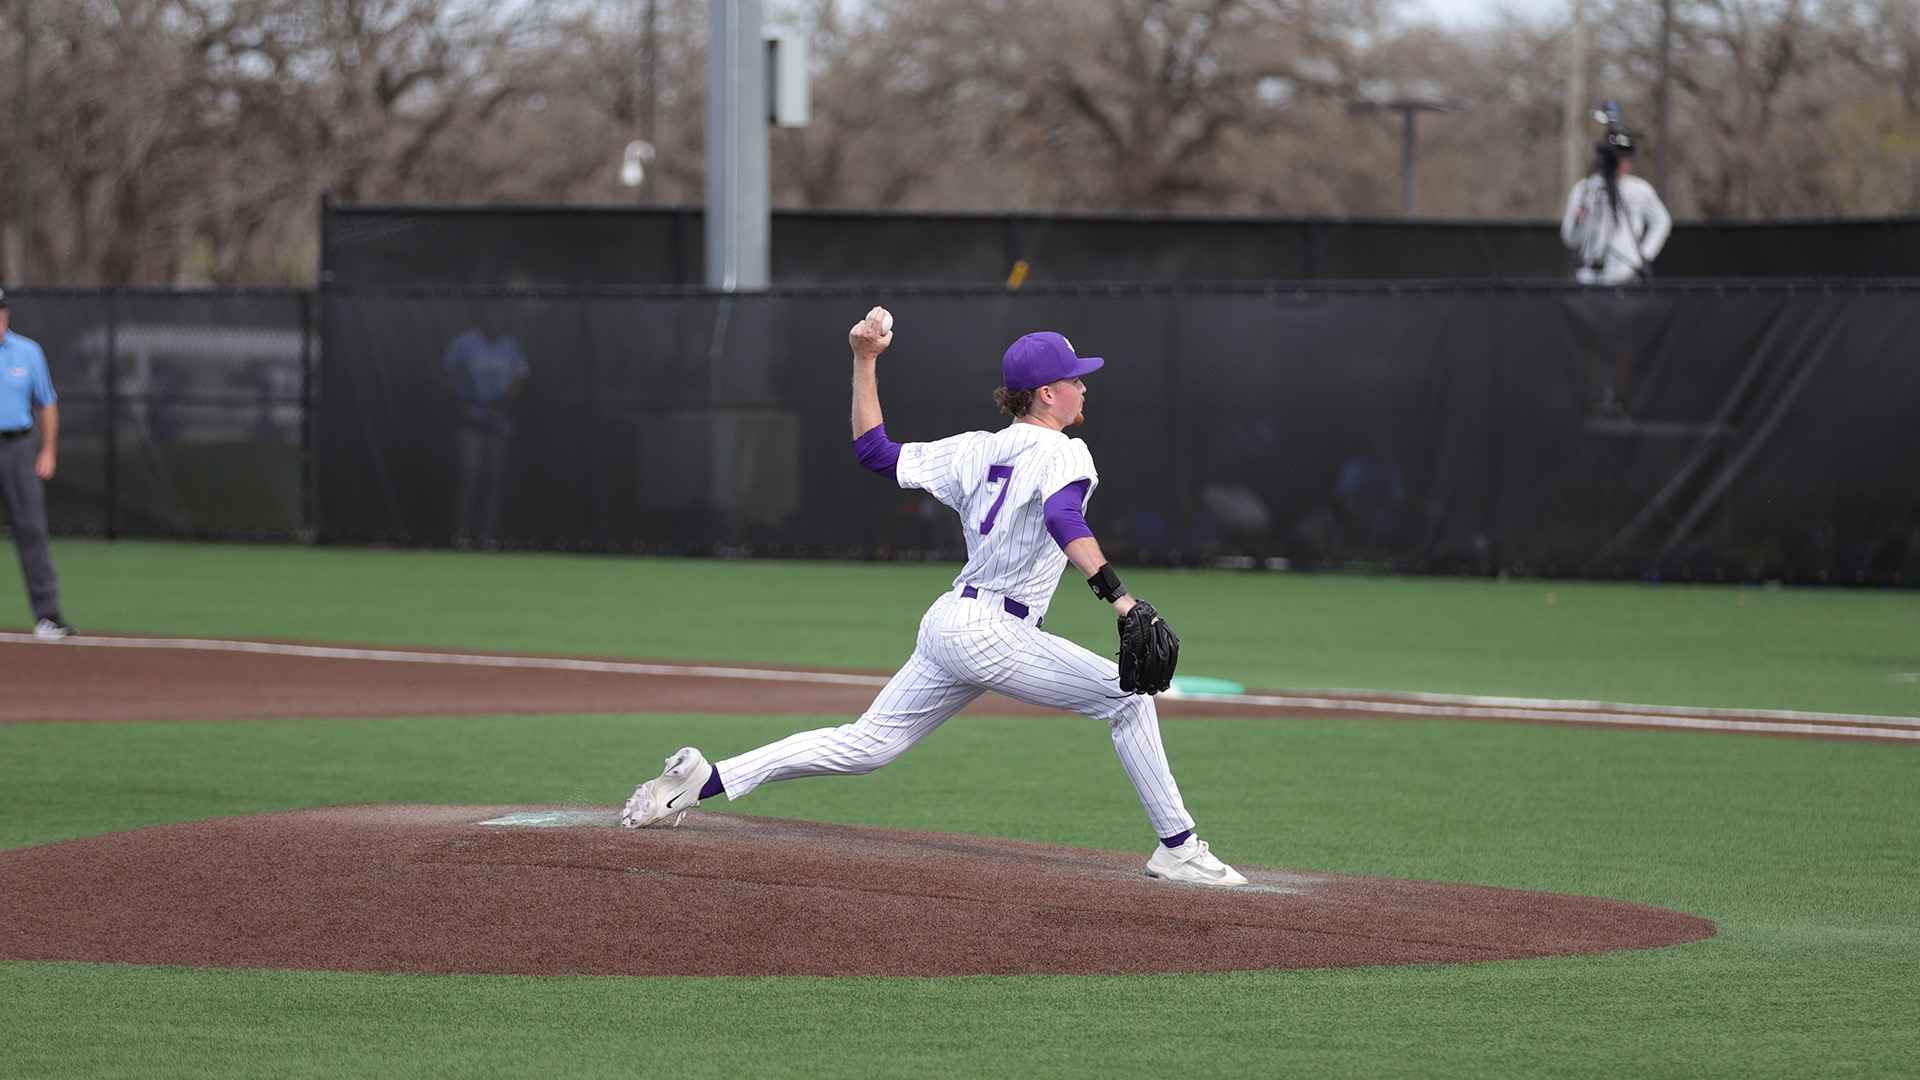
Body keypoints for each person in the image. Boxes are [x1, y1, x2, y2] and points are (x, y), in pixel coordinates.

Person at [620, 308, 1248, 887]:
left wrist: (865, 359)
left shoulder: (974, 448)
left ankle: (706, 780)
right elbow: (1064, 518)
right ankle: (1179, 846)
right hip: (995, 631)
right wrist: (1122, 600)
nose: (1085, 388)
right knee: (1129, 699)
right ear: (1047, 393)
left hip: (951, 622)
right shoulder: (1063, 449)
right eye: (1076, 380)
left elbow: (873, 453)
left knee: (867, 745)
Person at [0, 288, 74, 638]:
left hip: (16, 448)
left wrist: (48, 450)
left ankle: (48, 615)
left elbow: (47, 402)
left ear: (6, 315)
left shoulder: (27, 352)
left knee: (31, 528)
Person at [439, 310, 530, 545]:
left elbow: (519, 380)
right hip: (469, 422)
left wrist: (501, 407)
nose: (495, 325)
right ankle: (461, 533)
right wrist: (461, 405)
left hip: (498, 422)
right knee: (469, 476)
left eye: (500, 321)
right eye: (491, 320)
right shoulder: (465, 342)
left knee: (494, 479)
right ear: (483, 321)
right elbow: (447, 372)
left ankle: (488, 535)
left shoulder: (510, 345)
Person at [1561, 129, 1671, 286]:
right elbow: (1570, 238)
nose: (1622, 162)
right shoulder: (1585, 188)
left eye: (1627, 157)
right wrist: (1577, 221)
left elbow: (1662, 221)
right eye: (1618, 157)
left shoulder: (1640, 189)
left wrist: (1645, 254)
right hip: (1589, 277)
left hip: (1626, 276)